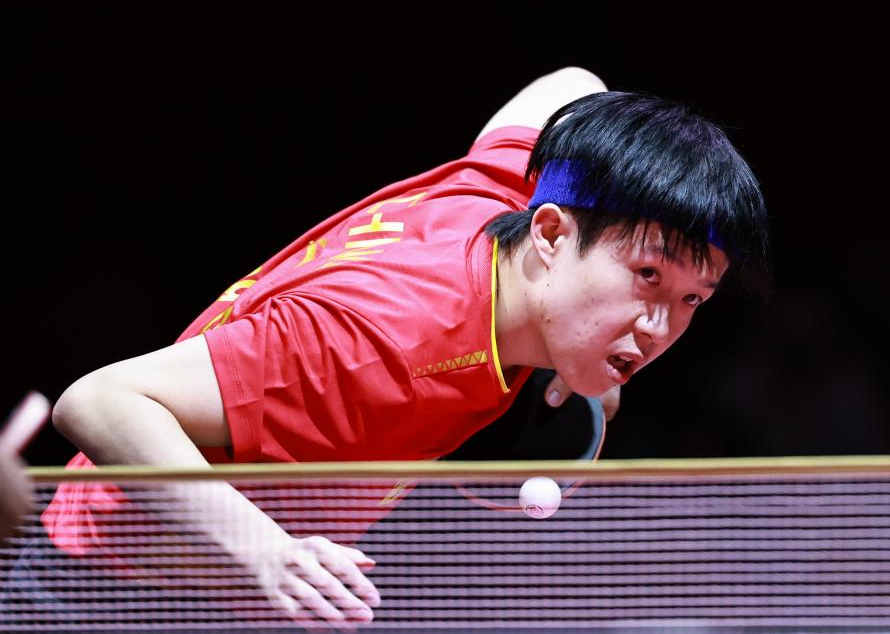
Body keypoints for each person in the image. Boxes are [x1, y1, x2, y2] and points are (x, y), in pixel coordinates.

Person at [36, 67, 769, 628]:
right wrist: (264, 549)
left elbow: (570, 82)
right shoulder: (373, 341)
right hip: (115, 590)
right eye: (646, 276)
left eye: (690, 300)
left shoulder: (504, 194)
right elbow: (98, 399)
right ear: (549, 234)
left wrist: (590, 341)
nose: (658, 327)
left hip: (257, 593)